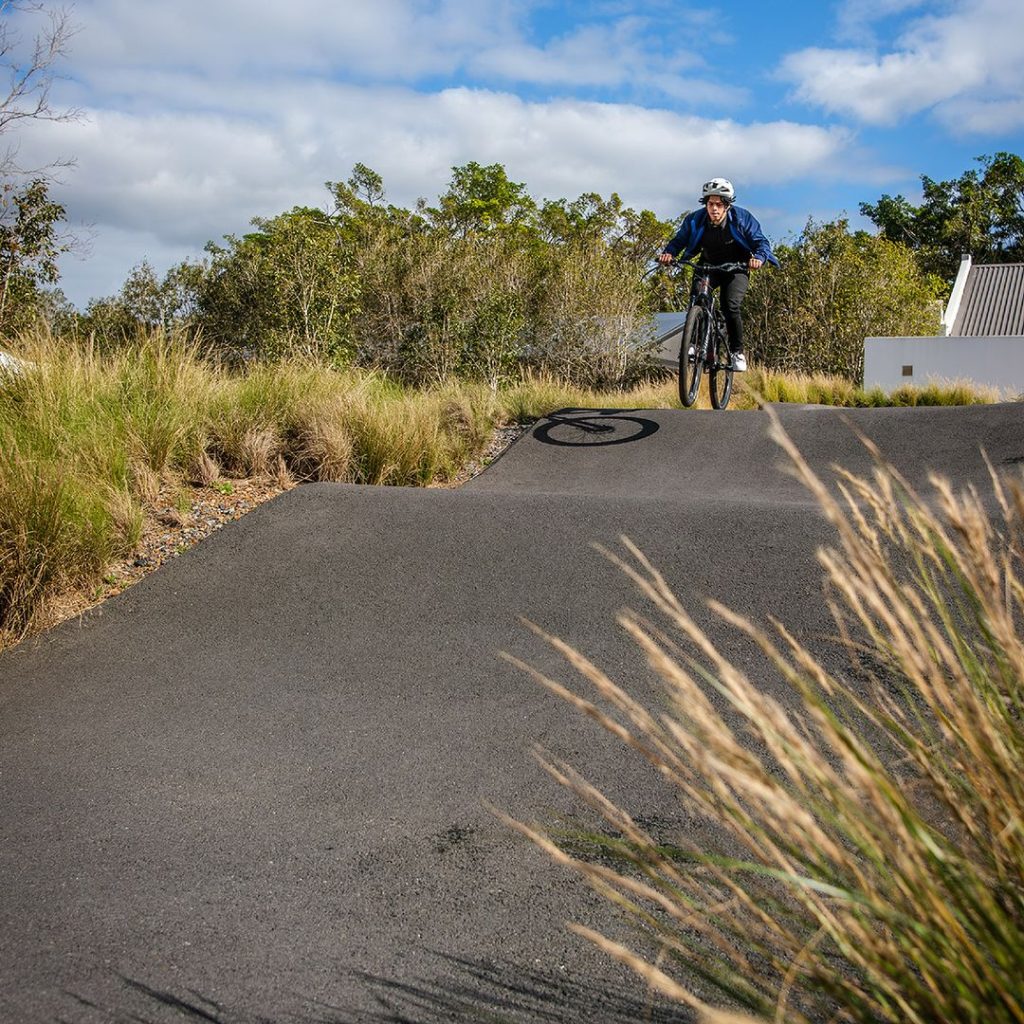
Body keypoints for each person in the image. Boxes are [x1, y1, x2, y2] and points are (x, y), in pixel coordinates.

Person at [657, 178, 777, 372]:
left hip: (736, 267)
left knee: (730, 305)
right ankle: (695, 344)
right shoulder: (695, 219)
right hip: (707, 266)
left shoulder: (742, 218)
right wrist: (669, 253)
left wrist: (759, 259)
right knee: (697, 299)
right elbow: (679, 240)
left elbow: (760, 242)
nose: (714, 209)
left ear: (727, 206)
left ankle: (737, 352)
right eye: (710, 204)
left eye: (719, 204)